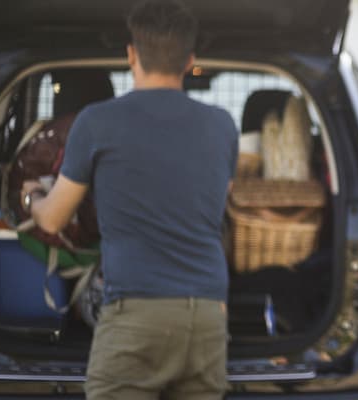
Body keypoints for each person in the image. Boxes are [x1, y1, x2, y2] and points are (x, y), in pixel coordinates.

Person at [21, 1, 238, 398]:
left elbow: (52, 220)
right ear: (190, 60)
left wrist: (31, 197)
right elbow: (215, 203)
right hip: (209, 314)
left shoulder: (96, 122)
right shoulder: (222, 126)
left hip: (137, 313)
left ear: (131, 54)